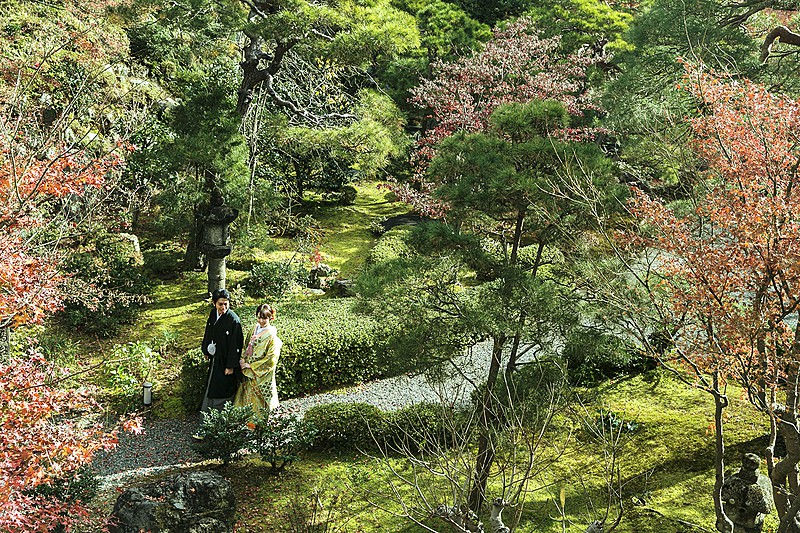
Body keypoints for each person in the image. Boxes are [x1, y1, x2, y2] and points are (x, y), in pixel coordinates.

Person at [199, 288, 244, 413]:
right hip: (215, 358)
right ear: (214, 303)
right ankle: (207, 416)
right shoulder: (213, 314)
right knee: (212, 384)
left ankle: (220, 420)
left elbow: (236, 345)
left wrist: (230, 366)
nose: (223, 307)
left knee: (223, 388)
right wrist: (206, 350)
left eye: (226, 304)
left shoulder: (233, 320)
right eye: (220, 304)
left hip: (226, 361)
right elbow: (209, 332)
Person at [234, 303, 282, 414]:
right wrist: (242, 359)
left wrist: (251, 366)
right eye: (259, 317)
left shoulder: (272, 335)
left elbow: (272, 358)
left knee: (259, 400)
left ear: (271, 318)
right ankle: (245, 423)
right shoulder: (254, 329)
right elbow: (245, 345)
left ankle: (260, 425)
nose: (261, 321)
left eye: (264, 318)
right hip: (247, 369)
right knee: (245, 397)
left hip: (259, 372)